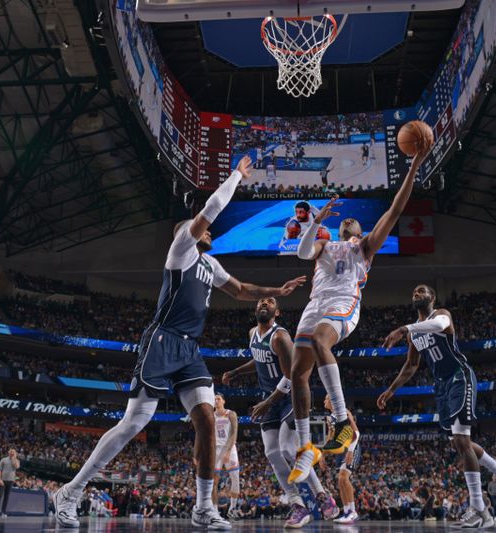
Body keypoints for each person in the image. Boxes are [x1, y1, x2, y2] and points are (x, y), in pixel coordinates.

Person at [53, 155, 306, 530]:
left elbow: (240, 290)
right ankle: (71, 492)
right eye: (199, 228)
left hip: (190, 349)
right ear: (186, 232)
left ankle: (204, 507)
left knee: (206, 419)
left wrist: (277, 289)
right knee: (133, 422)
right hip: (162, 340)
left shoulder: (211, 264)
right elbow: (210, 210)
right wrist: (236, 175)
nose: (207, 232)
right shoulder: (181, 252)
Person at [288, 142, 433, 485]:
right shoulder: (325, 243)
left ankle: (341, 424)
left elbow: (395, 211)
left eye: (355, 221)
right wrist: (315, 222)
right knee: (297, 373)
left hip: (343, 304)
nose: (350, 220)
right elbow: (302, 252)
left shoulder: (364, 247)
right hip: (315, 303)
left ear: (358, 231)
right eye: (346, 220)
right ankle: (306, 445)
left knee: (322, 343)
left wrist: (413, 167)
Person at [376, 284, 496, 528]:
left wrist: (403, 328)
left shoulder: (441, 314)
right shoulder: (415, 334)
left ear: (432, 297)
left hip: (459, 377)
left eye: (422, 291)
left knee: (462, 440)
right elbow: (411, 365)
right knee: (458, 442)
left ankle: (480, 509)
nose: (417, 293)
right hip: (441, 385)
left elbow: (440, 326)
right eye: (414, 292)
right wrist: (391, 390)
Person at [222, 298, 337, 528]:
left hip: (291, 396)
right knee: (272, 452)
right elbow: (259, 359)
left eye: (270, 302)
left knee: (286, 447)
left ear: (277, 312)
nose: (265, 303)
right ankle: (298, 505)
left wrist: (267, 403)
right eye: (261, 301)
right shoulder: (253, 333)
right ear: (256, 309)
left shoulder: (280, 337)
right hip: (270, 398)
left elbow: (291, 375)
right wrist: (235, 372)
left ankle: (323, 496)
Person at [323, 394, 360, 525]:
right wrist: (323, 455)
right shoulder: (329, 418)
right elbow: (330, 438)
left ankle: (353, 511)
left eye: (326, 399)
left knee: (344, 477)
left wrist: (350, 451)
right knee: (340, 480)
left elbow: (356, 433)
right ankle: (346, 512)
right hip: (341, 451)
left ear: (332, 400)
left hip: (352, 448)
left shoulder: (344, 412)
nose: (324, 401)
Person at [212, 394, 241, 520]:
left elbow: (234, 433)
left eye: (218, 399)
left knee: (235, 477)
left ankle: (232, 508)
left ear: (223, 400)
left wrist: (228, 451)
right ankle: (214, 511)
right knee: (214, 481)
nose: (216, 401)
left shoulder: (231, 414)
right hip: (216, 449)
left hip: (229, 446)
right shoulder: (210, 415)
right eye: (214, 399)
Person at [0, 448, 20, 518]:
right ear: (8, 452)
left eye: (13, 452)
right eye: (11, 451)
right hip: (3, 480)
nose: (12, 453)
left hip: (10, 481)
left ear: (15, 453)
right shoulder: (3, 460)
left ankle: (3, 512)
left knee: (6, 497)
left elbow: (16, 467)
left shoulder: (17, 461)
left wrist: (14, 459)